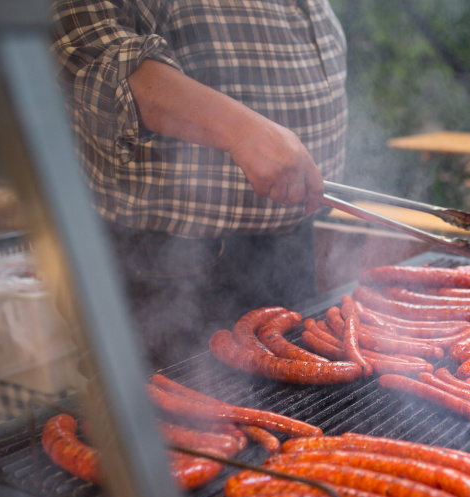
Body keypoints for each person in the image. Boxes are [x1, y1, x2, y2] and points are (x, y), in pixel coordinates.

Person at [50, 0, 347, 368]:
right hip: (171, 262)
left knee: (301, 412)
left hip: (288, 248)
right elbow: (91, 53)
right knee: (169, 412)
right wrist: (243, 131)